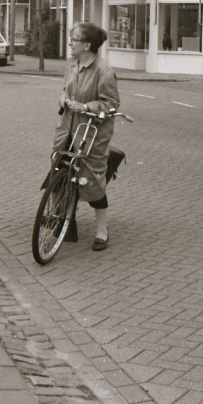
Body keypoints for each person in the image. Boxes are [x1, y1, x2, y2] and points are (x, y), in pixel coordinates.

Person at [54, 22, 120, 251]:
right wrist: (64, 98)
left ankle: (102, 231)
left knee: (91, 183)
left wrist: (85, 106)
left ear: (87, 45)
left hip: (91, 134)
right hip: (67, 131)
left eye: (74, 39)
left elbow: (111, 104)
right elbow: (66, 89)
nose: (70, 42)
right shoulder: (73, 65)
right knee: (59, 174)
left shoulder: (104, 71)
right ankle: (63, 221)